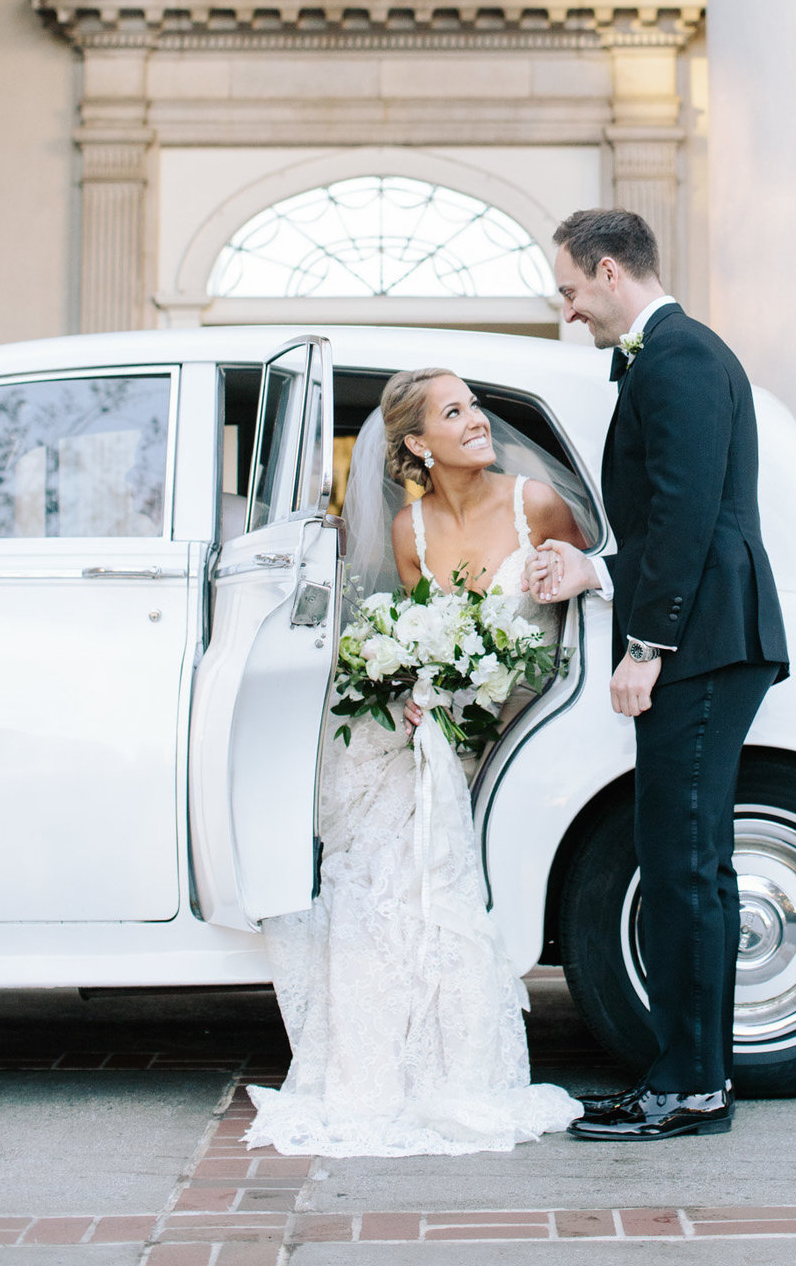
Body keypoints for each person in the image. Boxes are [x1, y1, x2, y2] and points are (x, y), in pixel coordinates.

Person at [245, 367, 585, 1159]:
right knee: (377, 822)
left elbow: (577, 616)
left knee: (413, 814)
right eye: (453, 412)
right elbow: (417, 630)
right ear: (415, 444)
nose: (477, 422)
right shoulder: (411, 530)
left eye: (475, 406)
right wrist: (410, 687)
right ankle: (375, 1059)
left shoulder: (535, 502)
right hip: (441, 727)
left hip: (524, 722)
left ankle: (457, 1055)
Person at [525, 207, 789, 1142]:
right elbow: (667, 524)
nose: (567, 311)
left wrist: (646, 647)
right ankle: (694, 1077)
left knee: (679, 866)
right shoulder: (674, 353)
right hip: (713, 636)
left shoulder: (676, 357)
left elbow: (681, 521)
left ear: (606, 271)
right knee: (691, 865)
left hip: (702, 643)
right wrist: (597, 571)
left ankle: (687, 1086)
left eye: (568, 290)